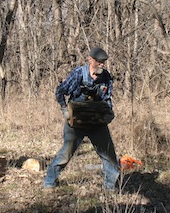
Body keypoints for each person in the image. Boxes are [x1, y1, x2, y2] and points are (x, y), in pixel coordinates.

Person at [44, 47, 120, 191]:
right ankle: (49, 182)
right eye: (99, 61)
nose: (102, 64)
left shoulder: (106, 77)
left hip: (97, 122)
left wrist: (109, 112)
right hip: (76, 122)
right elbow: (60, 91)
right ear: (90, 60)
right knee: (66, 154)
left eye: (104, 62)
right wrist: (64, 109)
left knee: (109, 154)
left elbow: (107, 98)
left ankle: (110, 187)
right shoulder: (78, 74)